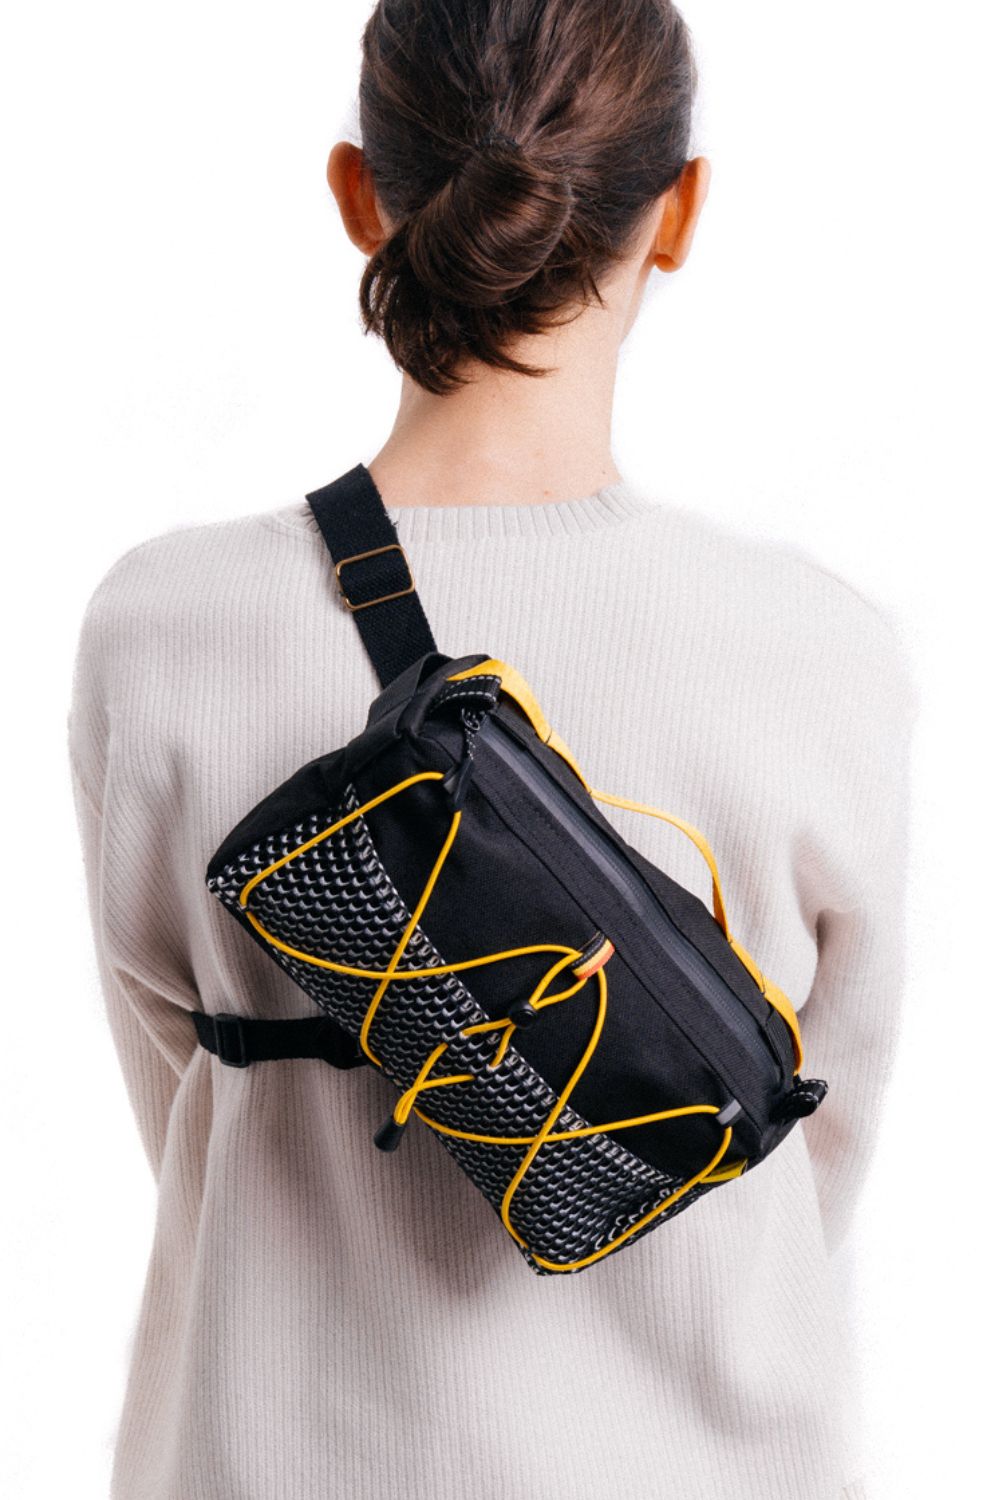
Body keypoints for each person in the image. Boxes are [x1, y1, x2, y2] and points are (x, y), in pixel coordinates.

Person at [67, 2, 917, 1497]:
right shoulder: (820, 647)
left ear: (360, 194)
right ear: (679, 213)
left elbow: (185, 1096)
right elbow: (815, 1149)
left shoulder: (161, 628)